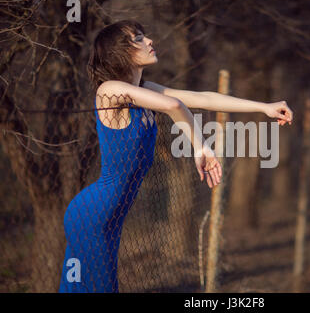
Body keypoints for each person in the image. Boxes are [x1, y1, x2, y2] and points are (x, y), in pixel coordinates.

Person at [58, 19, 293, 293]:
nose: (149, 41)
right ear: (117, 52)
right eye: (138, 39)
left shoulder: (144, 90)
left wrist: (264, 107)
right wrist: (201, 148)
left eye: (144, 36)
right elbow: (173, 105)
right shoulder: (108, 91)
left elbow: (203, 98)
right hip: (92, 216)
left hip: (111, 217)